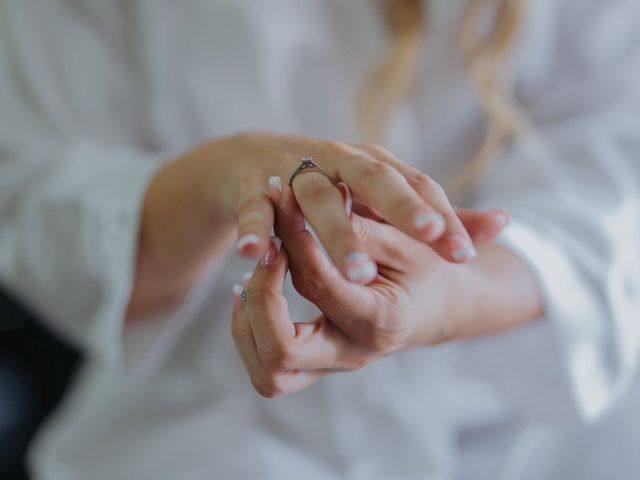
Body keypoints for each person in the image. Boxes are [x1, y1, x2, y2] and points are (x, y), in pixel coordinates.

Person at [0, 0, 638, 478]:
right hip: (202, 434)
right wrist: (212, 179)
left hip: (539, 441)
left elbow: (611, 194)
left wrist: (456, 293)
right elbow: (40, 207)